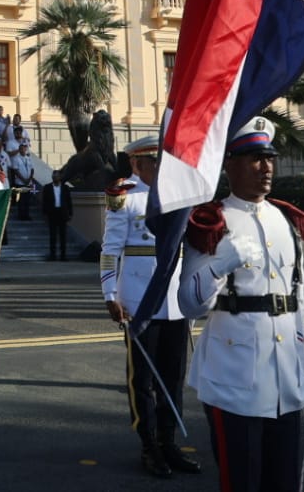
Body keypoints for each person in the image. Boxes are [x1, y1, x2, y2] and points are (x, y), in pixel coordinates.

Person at [178, 117, 304, 491]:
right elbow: (189, 304)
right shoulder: (211, 220)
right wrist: (221, 263)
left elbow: (295, 295)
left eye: (269, 157)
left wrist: (300, 357)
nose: (266, 167)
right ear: (230, 164)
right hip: (233, 377)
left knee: (284, 479)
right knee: (242, 479)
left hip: (286, 377)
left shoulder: (284, 218)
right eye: (254, 158)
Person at [102, 135, 202, 478]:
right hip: (138, 300)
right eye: (152, 162)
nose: (159, 168)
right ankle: (149, 445)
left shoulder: (177, 196)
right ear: (136, 164)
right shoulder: (125, 197)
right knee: (142, 379)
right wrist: (109, 295)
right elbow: (110, 250)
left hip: (174, 300)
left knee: (173, 377)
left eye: (163, 162)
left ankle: (169, 442)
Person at [42, 173, 73, 260]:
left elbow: (69, 201)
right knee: (53, 235)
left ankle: (63, 255)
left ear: (60, 177)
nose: (55, 178)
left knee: (63, 235)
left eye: (57, 176)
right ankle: (53, 255)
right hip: (52, 213)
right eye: (53, 176)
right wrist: (45, 214)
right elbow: (44, 201)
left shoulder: (65, 188)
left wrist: (70, 213)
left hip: (62, 213)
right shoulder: (47, 188)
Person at [8, 136, 36, 221]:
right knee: (21, 200)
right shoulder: (16, 159)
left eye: (24, 148)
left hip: (28, 182)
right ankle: (21, 215)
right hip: (20, 183)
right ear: (19, 150)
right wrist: (24, 179)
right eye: (21, 148)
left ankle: (26, 215)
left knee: (27, 200)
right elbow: (16, 170)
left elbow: (32, 169)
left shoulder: (28, 158)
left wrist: (30, 178)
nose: (23, 150)